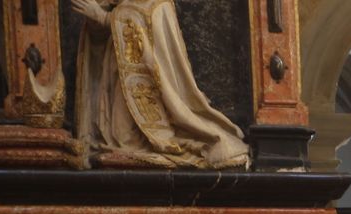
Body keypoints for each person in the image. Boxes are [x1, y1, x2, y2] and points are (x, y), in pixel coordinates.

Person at [70, 0, 250, 169]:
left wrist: (103, 17)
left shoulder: (159, 6)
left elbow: (143, 16)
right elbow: (107, 29)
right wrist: (96, 19)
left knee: (127, 138)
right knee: (119, 136)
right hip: (118, 80)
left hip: (146, 90)